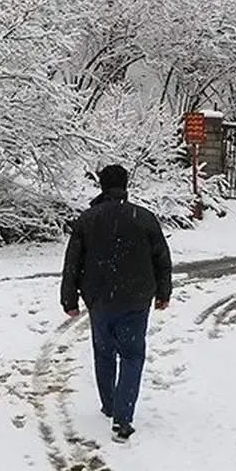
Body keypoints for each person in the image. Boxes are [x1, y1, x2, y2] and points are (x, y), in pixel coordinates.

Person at [60, 164, 172, 443]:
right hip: (136, 299)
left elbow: (72, 262)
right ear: (126, 184)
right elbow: (161, 257)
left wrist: (69, 299)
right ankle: (123, 417)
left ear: (101, 185)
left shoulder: (88, 219)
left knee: (104, 352)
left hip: (99, 300)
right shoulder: (144, 218)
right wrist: (163, 292)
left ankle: (110, 403)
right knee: (133, 355)